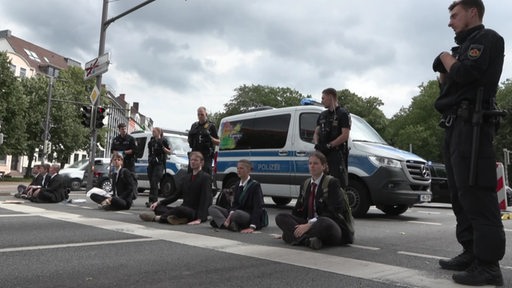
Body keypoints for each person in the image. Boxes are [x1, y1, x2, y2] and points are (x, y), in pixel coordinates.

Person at [432, 0, 505, 286]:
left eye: (454, 15)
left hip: (473, 126)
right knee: (460, 195)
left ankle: (488, 266)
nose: (450, 22)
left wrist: (443, 56)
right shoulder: (460, 50)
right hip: (455, 126)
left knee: (477, 193)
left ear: (472, 12)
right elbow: (447, 86)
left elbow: (464, 74)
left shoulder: (487, 39)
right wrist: (448, 63)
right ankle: (471, 252)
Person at [275, 151, 354, 250]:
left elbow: (334, 211)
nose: (312, 166)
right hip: (309, 224)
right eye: (310, 163)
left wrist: (309, 225)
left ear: (324, 166)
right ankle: (308, 241)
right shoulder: (305, 184)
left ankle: (293, 237)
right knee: (280, 217)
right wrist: (288, 227)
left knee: (325, 223)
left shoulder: (332, 183)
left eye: (316, 163)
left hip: (329, 225)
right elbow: (297, 211)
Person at [139, 151, 212, 225]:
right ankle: (179, 219)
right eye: (191, 160)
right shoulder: (186, 177)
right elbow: (176, 195)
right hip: (183, 209)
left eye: (196, 160)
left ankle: (157, 218)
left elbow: (205, 199)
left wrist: (200, 219)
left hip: (194, 212)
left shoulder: (205, 177)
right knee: (159, 207)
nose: (193, 162)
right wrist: (159, 202)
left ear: (201, 163)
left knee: (179, 209)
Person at [208, 159, 266, 233]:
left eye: (241, 168)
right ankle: (226, 224)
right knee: (212, 208)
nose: (238, 170)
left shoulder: (255, 185)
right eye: (238, 168)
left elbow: (258, 207)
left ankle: (225, 223)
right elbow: (235, 204)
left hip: (246, 215)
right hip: (234, 213)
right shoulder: (237, 185)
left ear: (248, 170)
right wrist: (230, 213)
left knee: (237, 214)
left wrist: (252, 226)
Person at [313, 88, 351, 189]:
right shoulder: (322, 115)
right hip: (322, 155)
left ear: (330, 97)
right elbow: (316, 133)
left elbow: (345, 135)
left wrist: (329, 145)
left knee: (335, 184)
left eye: (323, 98)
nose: (322, 101)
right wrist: (317, 145)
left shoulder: (342, 114)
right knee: (321, 184)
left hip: (336, 155)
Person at [188, 106, 219, 175]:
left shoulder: (211, 126)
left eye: (202, 114)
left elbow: (218, 142)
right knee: (191, 177)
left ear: (206, 114)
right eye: (198, 114)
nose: (200, 116)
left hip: (205, 156)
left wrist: (210, 138)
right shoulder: (194, 125)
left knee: (205, 177)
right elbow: (190, 140)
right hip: (195, 155)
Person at [146, 127, 171, 207]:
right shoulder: (151, 142)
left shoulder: (164, 141)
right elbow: (150, 152)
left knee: (155, 181)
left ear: (159, 132)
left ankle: (154, 201)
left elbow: (169, 152)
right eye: (152, 131)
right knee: (151, 182)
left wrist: (163, 147)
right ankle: (151, 200)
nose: (153, 132)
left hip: (159, 164)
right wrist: (149, 159)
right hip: (152, 163)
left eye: (154, 131)